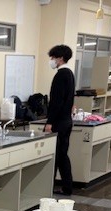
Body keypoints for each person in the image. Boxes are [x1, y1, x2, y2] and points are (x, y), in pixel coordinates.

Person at [44, 44, 75, 196]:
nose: (51, 60)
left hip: (59, 122)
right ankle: (66, 186)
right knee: (62, 155)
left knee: (57, 156)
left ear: (60, 58)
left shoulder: (60, 75)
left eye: (53, 57)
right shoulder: (70, 74)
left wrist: (49, 122)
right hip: (67, 120)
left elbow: (56, 102)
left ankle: (53, 187)